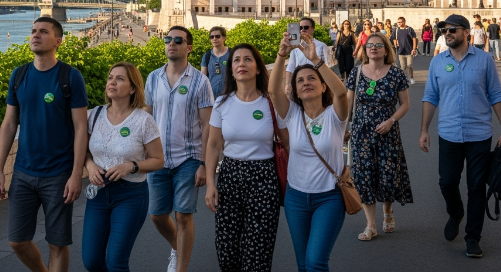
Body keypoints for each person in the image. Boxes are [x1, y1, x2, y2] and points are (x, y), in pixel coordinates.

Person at [0, 17, 89, 272]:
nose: (35, 35)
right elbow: (9, 124)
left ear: (58, 41)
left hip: (59, 174)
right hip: (23, 173)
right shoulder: (19, 74)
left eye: (43, 32)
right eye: (33, 31)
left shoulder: (70, 77)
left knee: (57, 244)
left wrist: (77, 174)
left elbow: (81, 128)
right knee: (17, 241)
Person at [420, 14, 501, 258]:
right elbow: (430, 97)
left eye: (452, 30)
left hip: (479, 133)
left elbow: (496, 94)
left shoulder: (485, 60)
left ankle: (473, 237)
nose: (447, 34)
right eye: (444, 31)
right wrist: (424, 130)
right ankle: (456, 212)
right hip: (449, 133)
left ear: (466, 32)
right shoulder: (438, 62)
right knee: (447, 182)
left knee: (476, 188)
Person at [270, 31, 350, 272]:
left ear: (323, 84)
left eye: (312, 78)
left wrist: (316, 60)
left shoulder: (335, 116)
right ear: (295, 88)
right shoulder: (293, 114)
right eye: (300, 80)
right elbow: (273, 92)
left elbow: (341, 93)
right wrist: (281, 54)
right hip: (296, 197)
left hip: (329, 197)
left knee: (315, 262)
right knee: (303, 263)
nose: (306, 82)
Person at [205, 43, 289, 272]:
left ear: (259, 68)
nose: (242, 64)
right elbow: (213, 145)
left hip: (264, 179)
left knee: (257, 252)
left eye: (248, 59)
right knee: (226, 250)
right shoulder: (222, 103)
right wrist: (211, 184)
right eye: (236, 60)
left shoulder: (271, 102)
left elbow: (288, 143)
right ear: (231, 70)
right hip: (230, 176)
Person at [82, 62, 164, 272]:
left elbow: (158, 160)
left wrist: (131, 166)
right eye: (110, 77)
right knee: (91, 261)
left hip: (130, 195)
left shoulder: (143, 120)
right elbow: (84, 151)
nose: (112, 82)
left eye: (120, 79)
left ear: (133, 88)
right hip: (98, 194)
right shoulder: (94, 115)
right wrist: (90, 166)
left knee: (116, 262)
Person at [144, 25, 214, 272]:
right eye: (167, 39)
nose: (171, 43)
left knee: (183, 215)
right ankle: (178, 247)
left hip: (189, 158)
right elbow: (147, 117)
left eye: (177, 40)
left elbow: (207, 125)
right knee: (156, 214)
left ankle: (180, 267)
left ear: (189, 47)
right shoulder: (153, 78)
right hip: (158, 159)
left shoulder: (200, 81)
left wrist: (205, 164)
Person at [346, 34, 413, 241]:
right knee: (363, 176)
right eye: (369, 45)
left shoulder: (395, 74)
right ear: (365, 50)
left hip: (387, 131)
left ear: (386, 50)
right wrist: (343, 127)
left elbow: (405, 104)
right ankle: (371, 225)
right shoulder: (356, 73)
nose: (373, 48)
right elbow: (347, 103)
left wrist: (391, 121)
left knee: (387, 175)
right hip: (361, 132)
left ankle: (388, 211)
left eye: (378, 45)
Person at [285, 18, 330, 95]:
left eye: (306, 27)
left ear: (312, 29)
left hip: (317, 85)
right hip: (301, 85)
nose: (303, 30)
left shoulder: (322, 46)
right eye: (300, 28)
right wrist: (287, 84)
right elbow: (291, 66)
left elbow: (328, 66)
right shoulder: (295, 47)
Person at [201, 26, 230, 99]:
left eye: (217, 36)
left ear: (224, 38)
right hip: (210, 96)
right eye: (212, 37)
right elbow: (203, 78)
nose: (214, 39)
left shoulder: (232, 54)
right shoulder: (207, 56)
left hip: (229, 95)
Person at [393, 17, 418, 85]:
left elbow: (414, 39)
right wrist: (395, 42)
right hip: (401, 51)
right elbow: (394, 38)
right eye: (398, 22)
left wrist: (414, 49)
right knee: (403, 67)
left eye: (400, 22)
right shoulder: (396, 30)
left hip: (409, 50)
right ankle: (405, 79)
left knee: (409, 65)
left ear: (404, 22)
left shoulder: (409, 29)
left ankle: (411, 78)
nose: (399, 23)